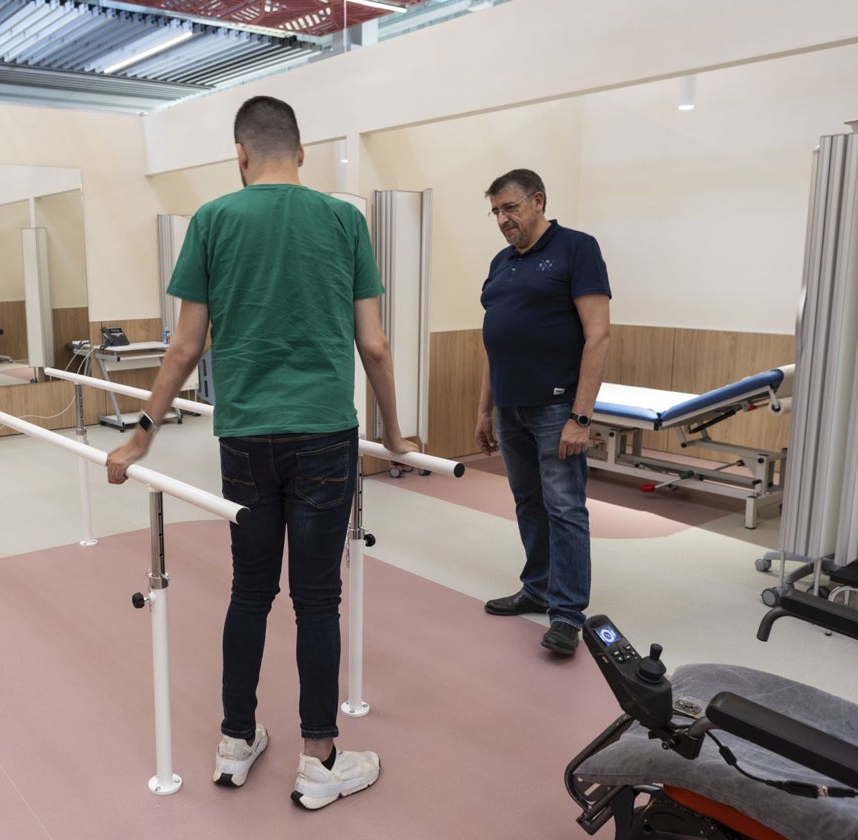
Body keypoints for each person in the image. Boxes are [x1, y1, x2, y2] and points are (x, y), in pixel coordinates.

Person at [106, 95, 415, 810]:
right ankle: (320, 758)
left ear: (239, 155)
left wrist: (139, 433)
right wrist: (394, 438)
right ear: (301, 153)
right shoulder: (344, 220)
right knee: (317, 600)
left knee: (250, 592)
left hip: (244, 437)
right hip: (324, 437)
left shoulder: (213, 219)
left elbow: (185, 348)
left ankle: (236, 740)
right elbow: (374, 344)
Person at [475, 168, 611, 657]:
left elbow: (598, 334)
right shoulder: (501, 262)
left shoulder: (577, 248)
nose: (502, 219)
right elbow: (494, 341)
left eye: (509, 207)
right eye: (495, 211)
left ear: (537, 200)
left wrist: (581, 416)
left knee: (565, 509)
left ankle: (567, 614)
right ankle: (537, 586)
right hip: (510, 407)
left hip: (557, 406)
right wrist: (485, 408)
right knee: (528, 502)